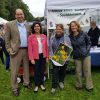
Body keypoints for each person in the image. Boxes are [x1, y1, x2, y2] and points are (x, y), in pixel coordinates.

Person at [5, 8, 32, 96]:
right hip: (16, 51)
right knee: (14, 70)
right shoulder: (9, 24)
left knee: (26, 68)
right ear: (15, 15)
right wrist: (9, 49)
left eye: (21, 14)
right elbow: (7, 38)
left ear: (23, 15)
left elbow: (30, 37)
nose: (19, 16)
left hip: (26, 50)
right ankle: (14, 88)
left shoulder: (27, 25)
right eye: (18, 14)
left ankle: (26, 83)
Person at [69, 21, 93, 92]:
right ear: (70, 28)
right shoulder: (70, 36)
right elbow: (68, 46)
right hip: (76, 56)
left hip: (86, 55)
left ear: (77, 26)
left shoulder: (83, 33)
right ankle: (79, 85)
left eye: (74, 25)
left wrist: (87, 50)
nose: (73, 27)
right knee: (78, 71)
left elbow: (89, 43)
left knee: (87, 71)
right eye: (72, 26)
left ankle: (89, 86)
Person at [49, 24, 71, 94]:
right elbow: (50, 47)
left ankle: (61, 82)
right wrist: (51, 55)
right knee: (55, 72)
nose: (58, 30)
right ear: (55, 30)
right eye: (57, 29)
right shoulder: (52, 37)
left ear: (62, 30)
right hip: (55, 57)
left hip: (63, 57)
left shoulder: (66, 37)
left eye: (60, 29)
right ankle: (54, 86)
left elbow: (69, 47)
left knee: (63, 71)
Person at [28, 21, 48, 92]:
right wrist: (31, 59)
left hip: (43, 56)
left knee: (42, 71)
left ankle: (42, 84)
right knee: (36, 71)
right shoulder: (30, 37)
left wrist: (47, 57)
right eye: (35, 26)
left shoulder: (44, 36)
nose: (37, 27)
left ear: (40, 27)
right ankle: (36, 85)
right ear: (33, 28)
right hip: (35, 57)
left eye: (38, 26)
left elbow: (46, 47)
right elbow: (30, 49)